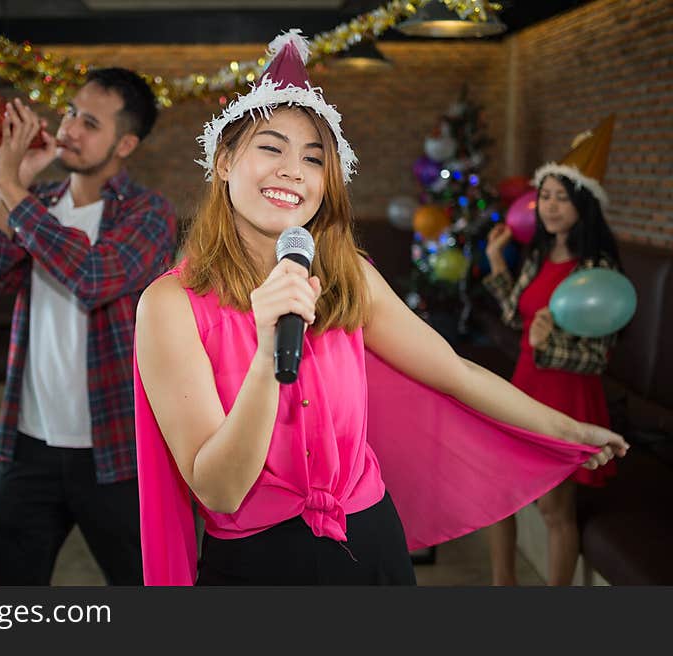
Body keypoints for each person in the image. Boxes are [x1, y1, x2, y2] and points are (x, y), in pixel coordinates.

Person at [133, 30, 627, 586]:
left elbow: (456, 373)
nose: (293, 170)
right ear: (224, 161)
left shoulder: (349, 279)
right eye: (271, 147)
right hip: (259, 563)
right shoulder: (171, 305)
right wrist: (270, 350)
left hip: (372, 545)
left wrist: (568, 430)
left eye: (314, 159)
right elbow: (219, 489)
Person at [0, 67, 177, 586]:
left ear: (125, 143)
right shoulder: (39, 202)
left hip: (117, 448)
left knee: (143, 585)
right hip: (28, 442)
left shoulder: (149, 213)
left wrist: (13, 189)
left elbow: (93, 278)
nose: (70, 130)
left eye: (91, 123)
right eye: (72, 113)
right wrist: (14, 187)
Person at [483, 116, 622, 586]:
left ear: (584, 205)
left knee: (553, 508)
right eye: (546, 195)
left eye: (563, 197)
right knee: (497, 493)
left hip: (567, 394)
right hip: (525, 388)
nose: (551, 206)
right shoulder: (539, 256)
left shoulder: (597, 266)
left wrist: (550, 343)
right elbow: (515, 315)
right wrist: (497, 262)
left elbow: (598, 357)